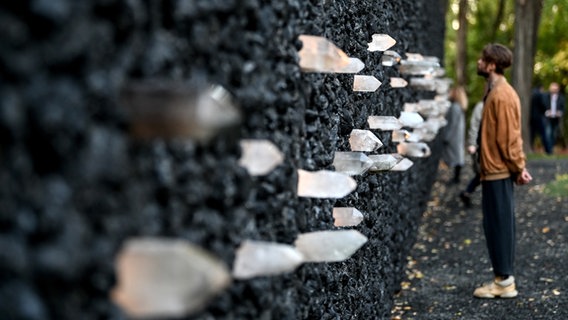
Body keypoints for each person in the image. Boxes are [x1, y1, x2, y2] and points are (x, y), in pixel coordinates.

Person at [473, 43, 532, 299]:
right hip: (494, 171)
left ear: (492, 65)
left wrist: (519, 167)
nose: (478, 62)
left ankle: (504, 282)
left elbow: (509, 138)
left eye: (483, 59)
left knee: (499, 225)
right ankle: (502, 279)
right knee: (496, 224)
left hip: (498, 172)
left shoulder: (503, 95)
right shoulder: (495, 91)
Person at [459, 101, 483, 208]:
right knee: (481, 173)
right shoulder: (481, 106)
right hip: (479, 147)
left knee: (481, 175)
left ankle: (467, 193)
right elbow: (474, 125)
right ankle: (466, 193)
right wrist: (472, 143)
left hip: (485, 148)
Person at [441, 85, 467, 184]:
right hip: (457, 135)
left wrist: (446, 137)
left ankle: (456, 178)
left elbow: (452, 124)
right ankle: (456, 178)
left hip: (454, 136)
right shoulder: (459, 106)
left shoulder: (455, 107)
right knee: (458, 156)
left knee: (456, 157)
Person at [541, 82, 565, 154]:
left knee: (554, 134)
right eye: (553, 89)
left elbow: (563, 108)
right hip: (548, 118)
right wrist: (547, 112)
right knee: (548, 133)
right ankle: (549, 150)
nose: (554, 90)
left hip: (556, 119)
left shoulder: (561, 98)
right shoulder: (546, 96)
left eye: (556, 89)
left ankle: (550, 149)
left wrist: (559, 113)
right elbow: (542, 106)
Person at [529, 85, 545, 151]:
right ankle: (548, 149)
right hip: (538, 117)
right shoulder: (539, 94)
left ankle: (531, 146)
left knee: (532, 134)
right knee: (543, 133)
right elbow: (542, 105)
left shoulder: (532, 93)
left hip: (531, 117)